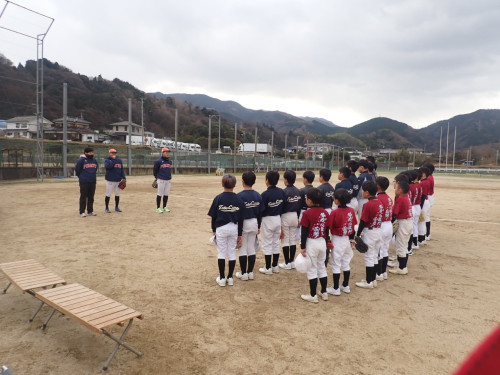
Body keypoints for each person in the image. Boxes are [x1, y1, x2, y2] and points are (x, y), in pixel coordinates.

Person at [207, 174, 244, 287]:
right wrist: (240, 234)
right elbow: (241, 218)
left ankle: (222, 278)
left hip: (221, 228)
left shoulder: (218, 198)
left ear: (222, 184)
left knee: (222, 252)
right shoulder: (238, 198)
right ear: (235, 185)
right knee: (232, 252)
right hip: (233, 227)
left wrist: (214, 229)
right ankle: (230, 277)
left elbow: (213, 216)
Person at [299, 188, 329, 303]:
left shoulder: (307, 213)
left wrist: (303, 247)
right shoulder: (325, 212)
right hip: (322, 241)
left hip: (311, 242)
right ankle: (324, 292)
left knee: (312, 269)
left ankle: (313, 295)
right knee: (321, 267)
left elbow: (304, 232)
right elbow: (327, 229)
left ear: (310, 201)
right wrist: (326, 243)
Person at [326, 188, 357, 296]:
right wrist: (352, 239)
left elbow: (328, 227)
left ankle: (335, 288)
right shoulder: (351, 210)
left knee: (336, 263)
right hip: (348, 239)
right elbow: (353, 227)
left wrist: (327, 240)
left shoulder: (334, 212)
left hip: (338, 239)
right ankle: (345, 285)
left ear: (337, 200)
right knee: (346, 262)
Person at [354, 180, 383, 289]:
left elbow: (363, 221)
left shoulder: (368, 204)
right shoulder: (379, 202)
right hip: (378, 230)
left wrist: (358, 234)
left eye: (363, 190)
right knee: (375, 256)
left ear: (367, 192)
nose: (361, 192)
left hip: (370, 232)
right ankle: (373, 279)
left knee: (369, 257)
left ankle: (369, 281)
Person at [236, 171, 264, 281]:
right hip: (254, 222)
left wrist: (238, 231)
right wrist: (258, 226)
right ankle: (250, 272)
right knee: (251, 248)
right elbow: (260, 212)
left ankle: (243, 273)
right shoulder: (258, 195)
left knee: (243, 248)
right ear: (254, 182)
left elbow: (237, 215)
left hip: (243, 223)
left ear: (242, 181)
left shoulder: (239, 196)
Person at [259, 171, 286, 275]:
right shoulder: (281, 192)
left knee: (267, 243)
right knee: (275, 242)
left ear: (267, 181)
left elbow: (261, 210)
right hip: (277, 219)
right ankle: (275, 266)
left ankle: (268, 267)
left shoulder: (264, 195)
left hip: (267, 220)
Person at [388, 181, 413, 275]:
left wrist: (389, 223)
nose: (395, 189)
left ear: (400, 190)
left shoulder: (401, 199)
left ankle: (402, 268)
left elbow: (394, 214)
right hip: (407, 222)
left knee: (400, 246)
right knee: (404, 245)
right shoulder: (406, 197)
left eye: (396, 188)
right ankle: (402, 265)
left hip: (404, 223)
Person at [279, 170, 302, 270]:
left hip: (286, 216)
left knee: (285, 240)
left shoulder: (284, 192)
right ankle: (292, 262)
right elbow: (300, 205)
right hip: (295, 216)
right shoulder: (298, 191)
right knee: (292, 239)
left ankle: (287, 262)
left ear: (286, 180)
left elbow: (281, 206)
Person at [375, 176, 393, 281]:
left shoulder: (378, 198)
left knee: (379, 250)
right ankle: (384, 272)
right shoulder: (389, 198)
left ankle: (379, 273)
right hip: (388, 225)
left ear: (378, 186)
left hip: (381, 225)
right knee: (385, 249)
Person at [75, 147, 98, 217]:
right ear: (86, 153)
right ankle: (82, 211)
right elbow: (77, 170)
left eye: (92, 152)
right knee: (83, 197)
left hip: (92, 181)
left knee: (91, 196)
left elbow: (95, 169)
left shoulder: (94, 160)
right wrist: (82, 177)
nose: (92, 154)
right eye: (90, 152)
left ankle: (90, 211)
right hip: (84, 181)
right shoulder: (81, 160)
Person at [104, 148, 126, 213]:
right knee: (108, 194)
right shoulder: (107, 160)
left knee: (117, 194)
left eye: (115, 153)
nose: (114, 154)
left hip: (118, 180)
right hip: (110, 180)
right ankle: (106, 207)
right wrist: (113, 160)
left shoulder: (119, 160)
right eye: (112, 153)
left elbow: (121, 169)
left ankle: (116, 207)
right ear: (109, 153)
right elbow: (108, 167)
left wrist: (124, 177)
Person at [295, 170, 315, 241]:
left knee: (302, 230)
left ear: (305, 179)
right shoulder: (315, 190)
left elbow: (298, 204)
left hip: (303, 211)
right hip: (313, 211)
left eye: (303, 178)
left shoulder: (301, 191)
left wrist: (297, 216)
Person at [153, 147, 173, 213]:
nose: (168, 154)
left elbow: (169, 170)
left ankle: (164, 207)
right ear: (162, 153)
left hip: (168, 180)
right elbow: (155, 171)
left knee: (166, 194)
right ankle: (158, 208)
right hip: (161, 179)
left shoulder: (170, 162)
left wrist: (169, 177)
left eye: (168, 152)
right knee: (159, 194)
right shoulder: (158, 161)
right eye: (166, 152)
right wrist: (157, 178)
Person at [417, 166, 431, 246]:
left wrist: (420, 207)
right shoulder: (426, 181)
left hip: (423, 202)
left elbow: (423, 195)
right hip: (425, 201)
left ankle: (421, 238)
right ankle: (423, 238)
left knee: (421, 221)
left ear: (424, 174)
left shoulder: (423, 183)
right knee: (422, 221)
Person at [423, 163, 435, 240]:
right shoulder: (430, 177)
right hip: (429, 197)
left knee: (426, 216)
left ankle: (427, 233)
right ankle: (426, 233)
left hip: (428, 197)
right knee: (426, 216)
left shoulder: (429, 178)